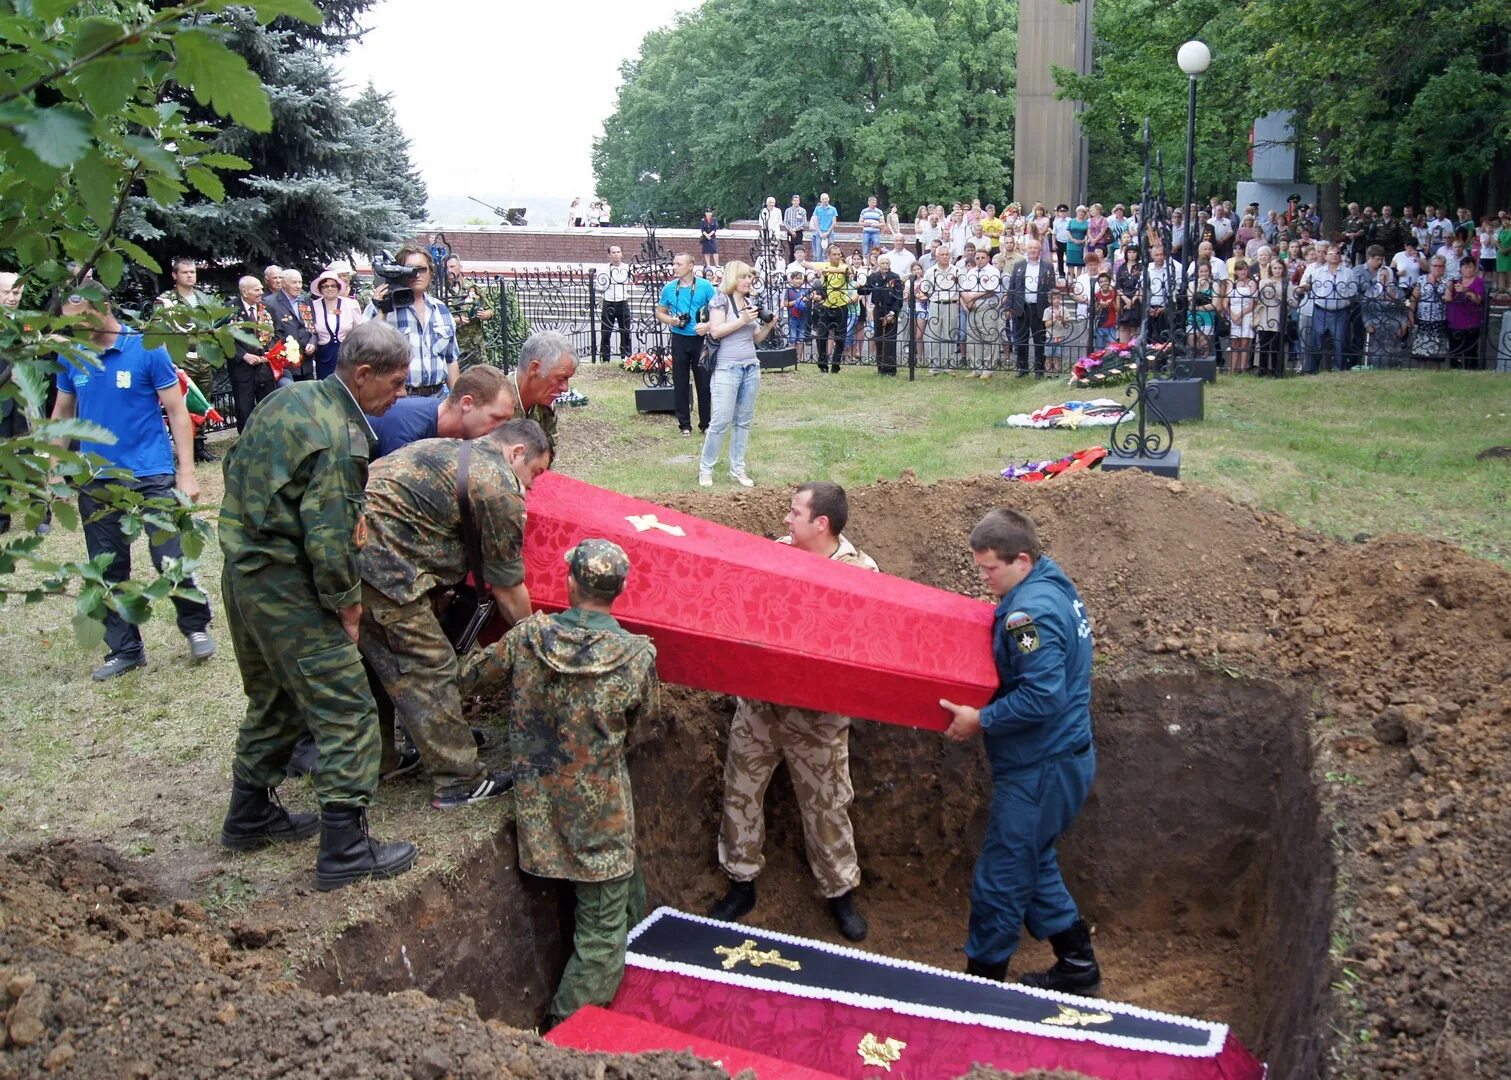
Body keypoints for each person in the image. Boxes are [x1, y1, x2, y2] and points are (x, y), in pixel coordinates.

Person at [216, 320, 416, 890]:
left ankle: (249, 812)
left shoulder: (288, 398)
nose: (400, 395)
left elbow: (237, 469)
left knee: (277, 695)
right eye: (396, 383)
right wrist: (347, 608)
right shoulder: (338, 438)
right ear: (363, 373)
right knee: (347, 707)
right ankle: (346, 848)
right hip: (286, 584)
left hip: (243, 571)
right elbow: (330, 538)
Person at [461, 539, 659, 1028]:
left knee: (621, 887)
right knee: (599, 936)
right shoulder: (636, 657)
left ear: (570, 582)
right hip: (600, 816)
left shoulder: (529, 636)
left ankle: (644, 951)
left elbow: (469, 677)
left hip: (538, 812)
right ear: (620, 591)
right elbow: (645, 728)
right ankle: (560, 1032)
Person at [939, 509, 1099, 994]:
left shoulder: (1026, 618)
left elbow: (1043, 694)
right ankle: (1077, 965)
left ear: (1022, 559)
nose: (984, 579)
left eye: (990, 569)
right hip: (1060, 759)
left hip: (1040, 769)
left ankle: (982, 989)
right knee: (1033, 862)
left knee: (1001, 879)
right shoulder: (1053, 585)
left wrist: (981, 719)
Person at [710, 483, 876, 943]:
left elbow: (865, 646)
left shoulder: (860, 574)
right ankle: (741, 883)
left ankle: (840, 892)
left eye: (795, 512)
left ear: (821, 523)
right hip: (760, 710)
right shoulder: (771, 555)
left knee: (827, 808)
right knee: (739, 795)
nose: (786, 519)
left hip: (818, 721)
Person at [359, 418, 550, 808]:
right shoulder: (497, 485)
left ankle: (384, 758)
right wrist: (536, 637)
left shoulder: (448, 448)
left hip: (351, 558)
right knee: (430, 668)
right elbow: (508, 588)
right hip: (384, 573)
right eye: (535, 472)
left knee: (381, 668)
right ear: (515, 453)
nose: (532, 486)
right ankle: (460, 781)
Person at [50, 289, 215, 680]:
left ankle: (195, 624)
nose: (74, 328)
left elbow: (177, 411)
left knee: (169, 555)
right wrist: (55, 468)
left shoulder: (147, 348)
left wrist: (186, 472)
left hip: (151, 472)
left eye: (80, 317)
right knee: (108, 568)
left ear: (104, 308)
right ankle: (126, 649)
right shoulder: (73, 356)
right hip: (97, 479)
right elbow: (62, 412)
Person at [699, 261, 776, 488]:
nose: (748, 281)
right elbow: (716, 330)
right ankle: (706, 468)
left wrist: (769, 327)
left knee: (743, 422)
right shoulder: (720, 299)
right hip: (726, 367)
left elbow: (755, 338)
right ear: (733, 278)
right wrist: (741, 320)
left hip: (750, 367)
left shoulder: (750, 302)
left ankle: (738, 469)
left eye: (750, 277)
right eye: (744, 277)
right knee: (720, 420)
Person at [365, 245, 459, 396]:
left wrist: (456, 400)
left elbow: (451, 359)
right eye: (410, 269)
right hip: (399, 399)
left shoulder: (441, 309)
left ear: (431, 272)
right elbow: (367, 348)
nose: (416, 275)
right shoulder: (384, 306)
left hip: (438, 397)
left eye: (421, 269)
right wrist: (382, 307)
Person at [367, 363, 516, 457]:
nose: (499, 429)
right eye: (496, 418)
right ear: (467, 403)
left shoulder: (445, 428)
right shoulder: (408, 430)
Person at [153, 257, 218, 463]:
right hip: (180, 360)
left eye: (193, 272)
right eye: (185, 272)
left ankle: (200, 446)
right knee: (181, 406)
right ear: (175, 275)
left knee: (202, 402)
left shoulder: (203, 298)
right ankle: (185, 450)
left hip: (202, 359)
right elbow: (157, 332)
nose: (190, 275)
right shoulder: (166, 300)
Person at [656, 254, 717, 437]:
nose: (674, 267)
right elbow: (660, 312)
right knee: (680, 382)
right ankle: (684, 425)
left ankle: (705, 423)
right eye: (674, 264)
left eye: (678, 264)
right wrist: (671, 320)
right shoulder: (669, 288)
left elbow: (717, 309)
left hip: (699, 340)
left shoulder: (705, 286)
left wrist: (707, 326)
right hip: (679, 338)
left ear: (691, 266)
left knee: (704, 383)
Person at [508, 330, 577, 459]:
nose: (565, 388)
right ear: (534, 369)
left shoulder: (544, 407)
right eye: (560, 378)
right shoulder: (493, 405)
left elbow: (544, 462)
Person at [227, 275, 277, 433]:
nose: (261, 292)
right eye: (257, 289)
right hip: (242, 368)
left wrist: (271, 351)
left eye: (261, 288)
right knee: (244, 409)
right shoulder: (230, 309)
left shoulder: (267, 308)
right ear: (244, 291)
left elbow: (276, 334)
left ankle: (267, 439)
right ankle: (245, 444)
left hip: (265, 367)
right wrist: (244, 356)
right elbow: (224, 338)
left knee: (268, 407)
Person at [800, 245, 856, 375]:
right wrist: (816, 269)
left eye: (839, 254)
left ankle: (835, 365)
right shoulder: (824, 265)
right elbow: (804, 262)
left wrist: (828, 270)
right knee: (821, 337)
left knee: (840, 338)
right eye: (834, 254)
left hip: (841, 307)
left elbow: (850, 272)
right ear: (829, 256)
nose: (837, 257)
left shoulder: (844, 266)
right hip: (825, 307)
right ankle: (823, 364)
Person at [1005, 238, 1055, 378]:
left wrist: (1052, 308)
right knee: (1021, 339)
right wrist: (1009, 306)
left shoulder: (1047, 267)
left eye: (1035, 248)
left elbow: (1051, 289)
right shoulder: (1019, 266)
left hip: (1039, 308)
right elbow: (1012, 288)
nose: (1033, 250)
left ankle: (1039, 370)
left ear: (1039, 250)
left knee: (1039, 339)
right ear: (1026, 250)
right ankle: (1023, 368)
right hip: (1021, 307)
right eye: (1030, 248)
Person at [1298, 246, 1351, 373]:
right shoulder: (1317, 272)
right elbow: (1311, 288)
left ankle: (1340, 370)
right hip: (1321, 310)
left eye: (1337, 253)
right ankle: (1311, 370)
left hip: (1340, 311)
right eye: (1331, 253)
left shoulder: (1348, 273)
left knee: (1340, 342)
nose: (1334, 255)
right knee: (1315, 342)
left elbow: (1352, 291)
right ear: (1326, 256)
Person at [310, 268, 364, 381]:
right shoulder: (313, 306)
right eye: (325, 286)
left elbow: (359, 331)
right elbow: (310, 331)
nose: (329, 289)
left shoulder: (351, 304)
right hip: (324, 356)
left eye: (333, 285)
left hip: (347, 356)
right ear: (320, 289)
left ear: (338, 287)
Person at [442, 255, 493, 367]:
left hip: (474, 346)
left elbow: (491, 311)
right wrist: (455, 320)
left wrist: (484, 315)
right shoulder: (441, 291)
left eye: (452, 267)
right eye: (446, 268)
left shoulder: (471, 288)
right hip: (454, 347)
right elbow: (434, 319)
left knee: (482, 378)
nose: (449, 271)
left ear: (460, 268)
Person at [266, 268, 315, 384]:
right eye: (294, 282)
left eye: (300, 282)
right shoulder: (270, 302)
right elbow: (268, 334)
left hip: (306, 364)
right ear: (283, 283)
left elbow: (313, 328)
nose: (298, 286)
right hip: (285, 365)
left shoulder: (306, 300)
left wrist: (312, 342)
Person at [863, 254, 904, 376]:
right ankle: (880, 367)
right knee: (879, 338)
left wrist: (892, 313)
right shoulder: (874, 277)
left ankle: (891, 369)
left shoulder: (895, 277)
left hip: (890, 309)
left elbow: (899, 298)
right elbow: (865, 290)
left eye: (887, 263)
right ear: (878, 265)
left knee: (890, 339)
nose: (885, 266)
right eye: (882, 263)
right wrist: (858, 283)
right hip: (878, 308)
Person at [1408, 256, 1451, 367]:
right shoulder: (1422, 279)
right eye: (1435, 266)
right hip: (1423, 319)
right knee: (1421, 354)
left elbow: (1449, 297)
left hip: (1439, 320)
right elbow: (1414, 298)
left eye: (1440, 266)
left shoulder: (1447, 280)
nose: (1437, 268)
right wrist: (1411, 314)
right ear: (1430, 266)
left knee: (1436, 356)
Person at [1446, 257, 1486, 369]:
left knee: (1470, 352)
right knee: (1454, 351)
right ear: (1460, 269)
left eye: (1471, 267)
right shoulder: (1455, 282)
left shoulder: (1479, 282)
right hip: (1454, 322)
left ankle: (1471, 372)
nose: (1469, 270)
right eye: (1466, 267)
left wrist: (1466, 291)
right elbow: (1448, 298)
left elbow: (1478, 300)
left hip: (1471, 322)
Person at [597, 245, 633, 364]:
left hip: (622, 302)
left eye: (618, 252)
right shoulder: (603, 269)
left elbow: (630, 284)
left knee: (625, 331)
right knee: (606, 332)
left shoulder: (627, 268)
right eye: (613, 252)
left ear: (622, 254)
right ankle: (605, 358)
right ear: (609, 255)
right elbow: (599, 286)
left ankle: (626, 357)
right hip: (609, 303)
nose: (616, 254)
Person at [811, 193, 838, 258]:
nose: (825, 200)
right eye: (823, 199)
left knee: (830, 251)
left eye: (826, 198)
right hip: (819, 232)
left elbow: (834, 222)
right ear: (821, 200)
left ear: (828, 199)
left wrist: (827, 233)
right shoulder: (817, 209)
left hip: (830, 233)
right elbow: (815, 221)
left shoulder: (833, 209)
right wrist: (820, 233)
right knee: (818, 253)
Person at [783, 195, 807, 263]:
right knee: (791, 250)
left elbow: (804, 222)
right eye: (795, 201)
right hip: (790, 233)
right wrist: (790, 230)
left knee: (799, 249)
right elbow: (785, 221)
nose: (796, 202)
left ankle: (799, 263)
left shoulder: (802, 211)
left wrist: (795, 229)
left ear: (799, 202)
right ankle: (791, 264)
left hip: (798, 232)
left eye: (797, 201)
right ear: (792, 201)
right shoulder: (788, 210)